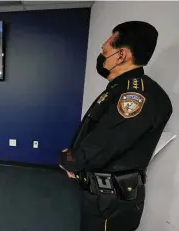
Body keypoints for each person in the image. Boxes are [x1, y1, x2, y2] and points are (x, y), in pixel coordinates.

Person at [58, 21, 172, 231]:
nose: (101, 56)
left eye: (105, 51)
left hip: (111, 202)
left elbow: (105, 145)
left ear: (121, 56)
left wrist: (69, 160)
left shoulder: (137, 96)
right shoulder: (119, 88)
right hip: (102, 197)